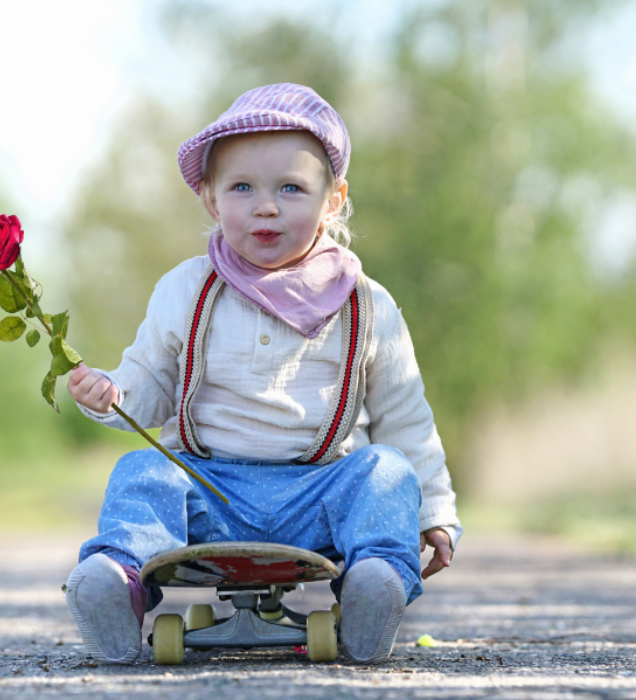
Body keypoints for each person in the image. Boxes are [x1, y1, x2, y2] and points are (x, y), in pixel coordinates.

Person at [64, 83, 462, 665]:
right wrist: (109, 394)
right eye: (242, 187)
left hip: (318, 495)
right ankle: (116, 583)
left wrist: (434, 515)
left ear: (333, 198)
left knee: (384, 468)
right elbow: (147, 388)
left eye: (291, 189)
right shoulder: (186, 289)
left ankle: (374, 583)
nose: (266, 206)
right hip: (210, 491)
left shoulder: (366, 304)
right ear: (209, 198)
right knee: (143, 470)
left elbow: (406, 416)